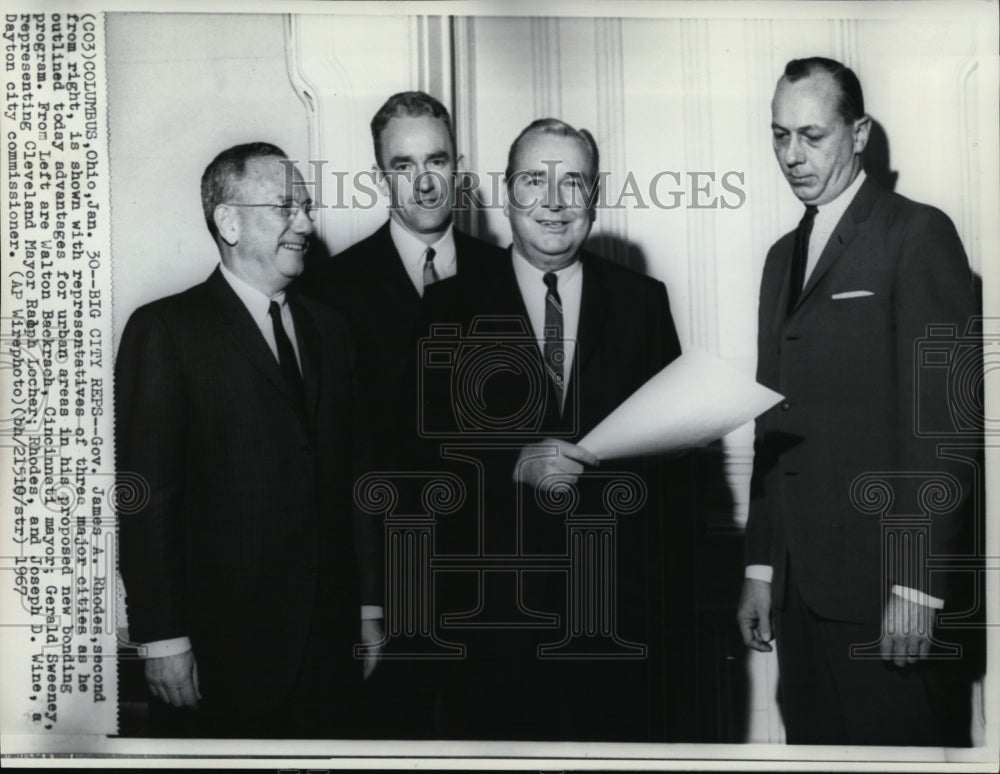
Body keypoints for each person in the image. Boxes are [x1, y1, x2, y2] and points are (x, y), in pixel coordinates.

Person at [421, 119, 697, 741]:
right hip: (493, 625)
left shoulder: (642, 301)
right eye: (532, 181)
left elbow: (676, 468)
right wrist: (512, 464)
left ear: (594, 197)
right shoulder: (447, 306)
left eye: (572, 181)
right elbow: (421, 454)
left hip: (619, 618)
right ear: (505, 193)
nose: (553, 202)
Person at [737, 57, 978, 746]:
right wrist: (760, 565)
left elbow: (944, 428)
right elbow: (772, 423)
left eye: (811, 136)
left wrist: (917, 584)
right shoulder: (782, 256)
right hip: (798, 596)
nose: (791, 155)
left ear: (860, 132)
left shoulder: (916, 234)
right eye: (778, 135)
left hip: (884, 597)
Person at [115, 142, 382, 738]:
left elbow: (355, 481)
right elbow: (145, 499)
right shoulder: (165, 330)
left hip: (329, 650)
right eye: (285, 207)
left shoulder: (331, 331)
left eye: (307, 208)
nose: (307, 224)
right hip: (221, 655)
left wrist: (369, 608)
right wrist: (161, 637)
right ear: (228, 221)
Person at [295, 90, 505, 471]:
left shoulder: (507, 274)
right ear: (380, 179)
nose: (424, 184)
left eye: (436, 162)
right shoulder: (328, 288)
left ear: (456, 169)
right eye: (404, 166)